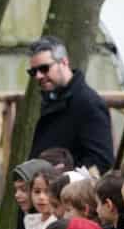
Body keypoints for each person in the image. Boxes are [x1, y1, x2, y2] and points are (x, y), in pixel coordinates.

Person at [26, 36, 114, 175]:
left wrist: (62, 180)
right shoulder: (51, 98)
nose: (38, 76)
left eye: (44, 68)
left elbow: (101, 160)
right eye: (33, 72)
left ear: (64, 62)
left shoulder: (89, 103)